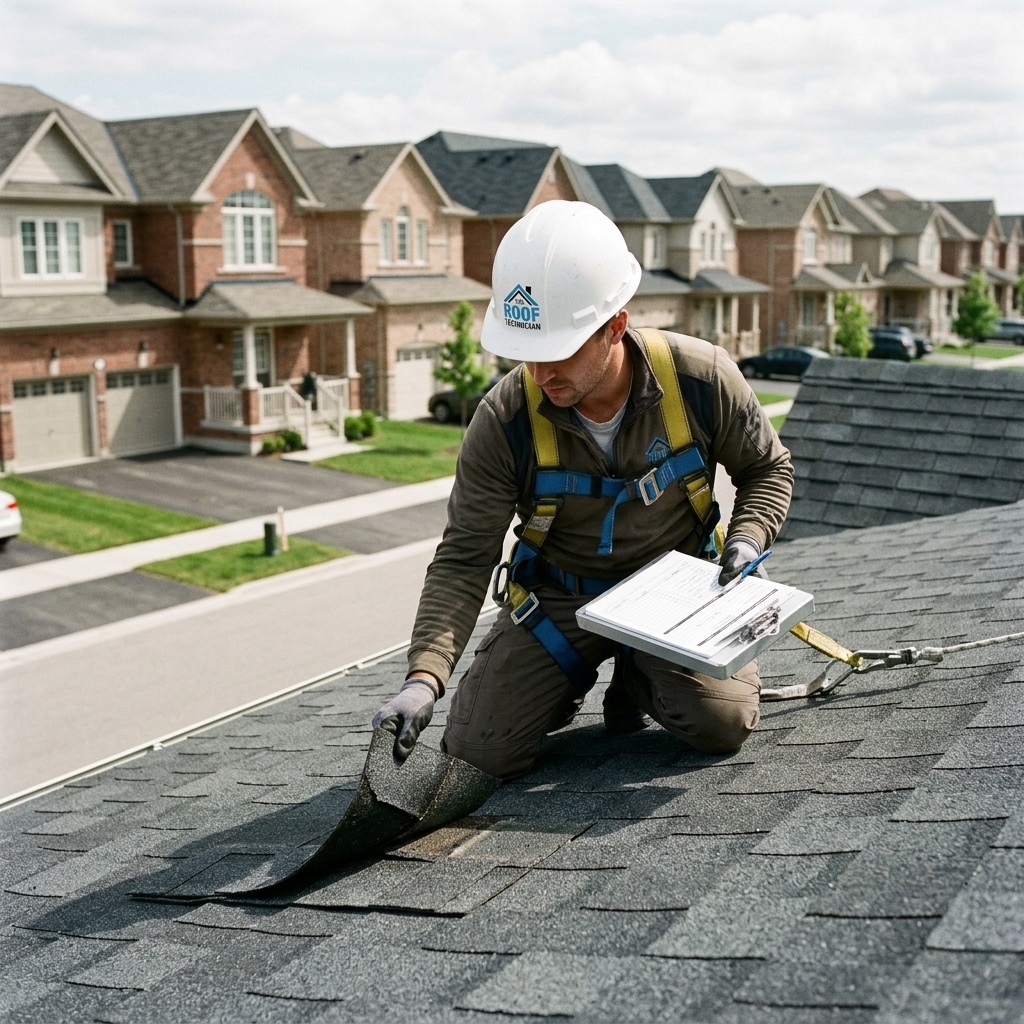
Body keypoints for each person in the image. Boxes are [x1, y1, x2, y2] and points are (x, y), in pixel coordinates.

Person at [373, 200, 793, 779]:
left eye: (558, 351)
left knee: (720, 722)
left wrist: (746, 539)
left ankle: (641, 674)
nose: (540, 374)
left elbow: (768, 469)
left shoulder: (700, 379)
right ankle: (573, 675)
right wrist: (424, 678)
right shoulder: (506, 419)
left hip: (672, 592)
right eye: (526, 353)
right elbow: (464, 556)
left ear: (615, 326)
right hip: (562, 598)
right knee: (477, 752)